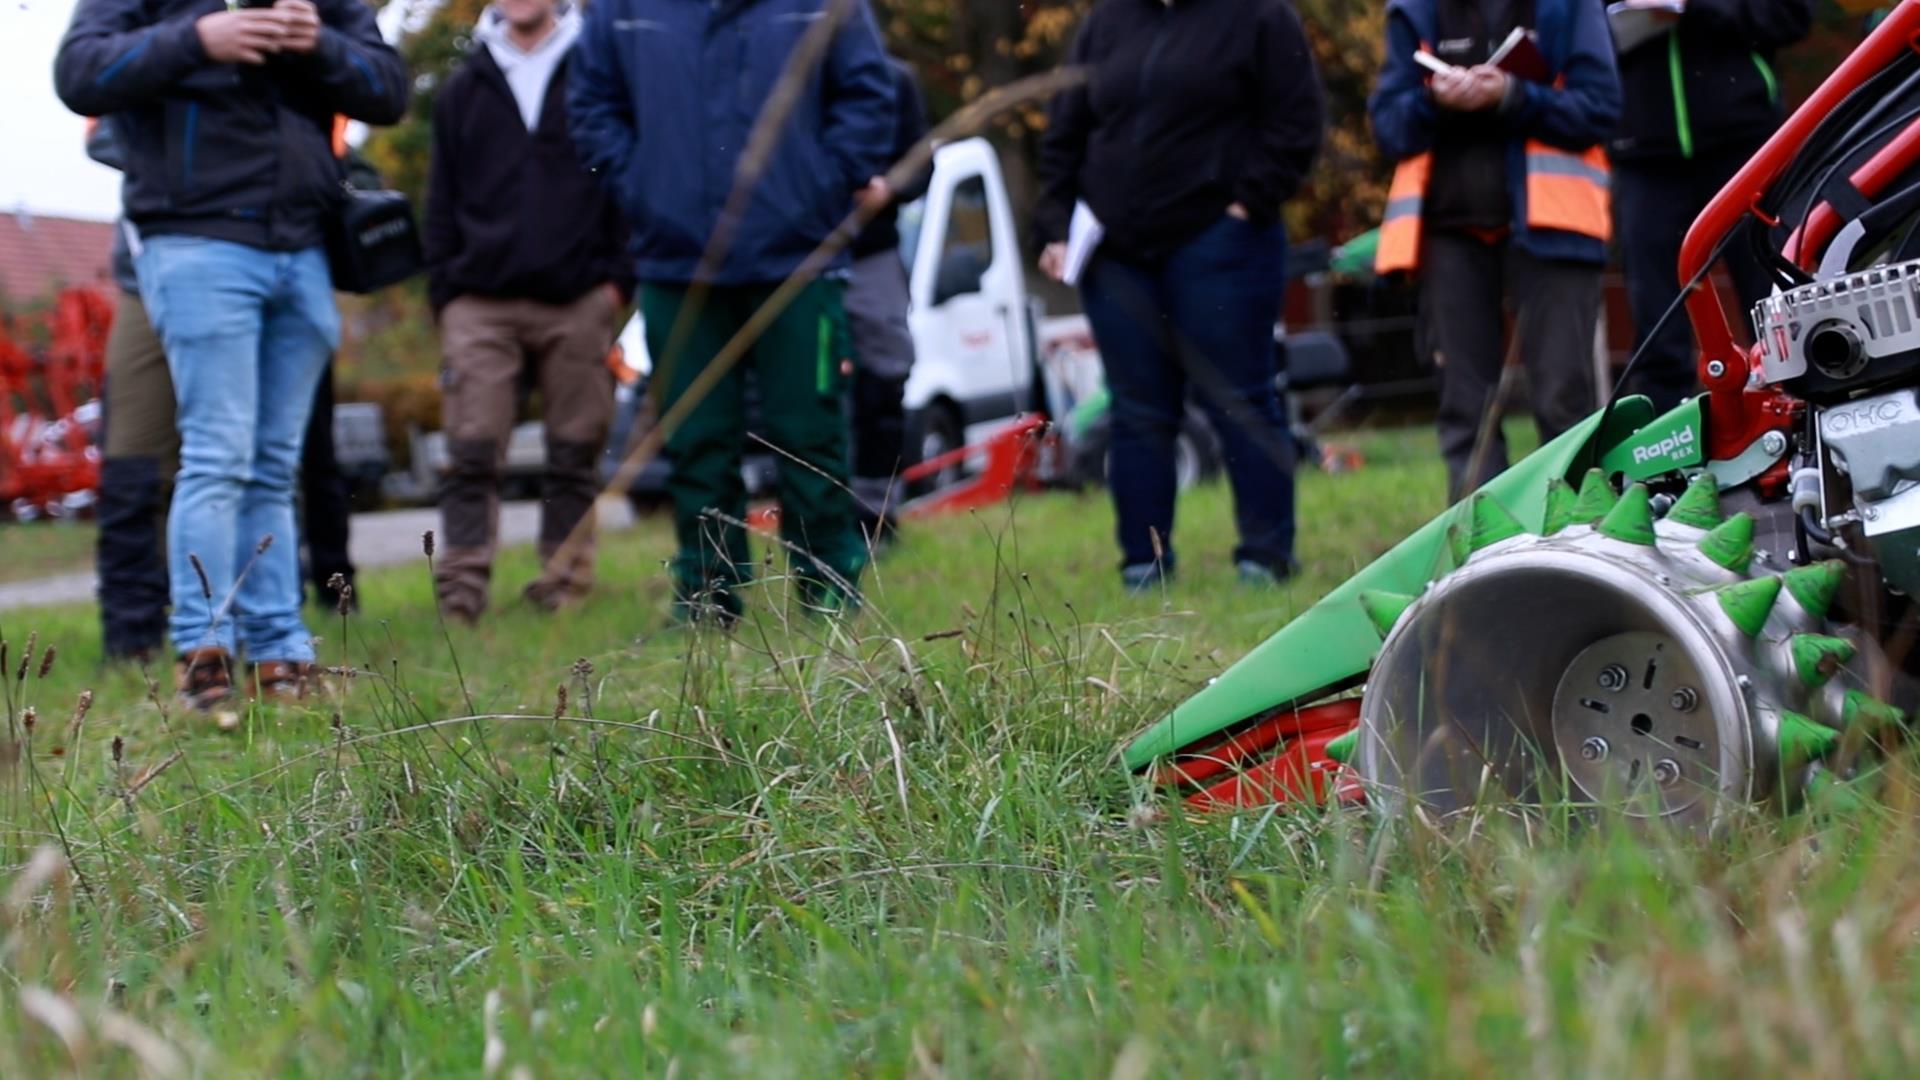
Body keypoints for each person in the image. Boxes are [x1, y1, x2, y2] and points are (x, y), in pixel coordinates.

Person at [57, 0, 407, 709]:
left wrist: (318, 42)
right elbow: (79, 72)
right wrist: (196, 38)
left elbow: (389, 90)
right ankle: (204, 650)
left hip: (303, 246)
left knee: (275, 465)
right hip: (197, 238)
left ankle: (278, 652)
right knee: (219, 454)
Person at [569, 0, 893, 623]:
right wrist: (643, 190)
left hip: (799, 259)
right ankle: (706, 596)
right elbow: (592, 106)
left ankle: (829, 588)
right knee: (695, 440)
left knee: (810, 435)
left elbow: (867, 96)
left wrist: (821, 186)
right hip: (676, 261)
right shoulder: (620, 10)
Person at [1035, 0, 1324, 592]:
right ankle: (1145, 564)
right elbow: (1065, 131)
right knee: (1137, 410)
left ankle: (1265, 559)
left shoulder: (1261, 17)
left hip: (1222, 241)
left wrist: (1247, 205)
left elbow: (1296, 122)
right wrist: (1055, 225)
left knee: (1239, 398)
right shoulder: (1106, 22)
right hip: (1117, 254)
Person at [87, 119, 360, 663]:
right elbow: (101, 126)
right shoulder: (162, 41)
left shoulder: (304, 49)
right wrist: (220, 151)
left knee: (280, 462)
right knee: (146, 466)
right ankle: (138, 637)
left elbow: (333, 133)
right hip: (157, 265)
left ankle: (280, 634)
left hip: (284, 257)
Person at [425, 0, 632, 623]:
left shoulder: (598, 69)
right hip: (479, 302)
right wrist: (447, 295)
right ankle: (460, 594)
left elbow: (622, 177)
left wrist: (618, 284)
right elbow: (440, 199)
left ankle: (565, 586)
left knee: (574, 453)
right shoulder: (463, 88)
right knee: (470, 452)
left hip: (579, 300)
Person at [1370, 0, 1621, 500]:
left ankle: (1588, 546)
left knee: (1564, 403)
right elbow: (1388, 126)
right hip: (1448, 233)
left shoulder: (1569, 7)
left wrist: (1511, 95)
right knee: (1466, 412)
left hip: (1556, 230)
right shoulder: (1413, 11)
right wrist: (1433, 100)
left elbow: (1601, 108)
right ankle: (1481, 555)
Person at [1612, 0, 1811, 413]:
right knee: (1655, 317)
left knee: (1772, 301)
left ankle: (1797, 423)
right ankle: (1662, 447)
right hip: (1643, 153)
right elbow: (1576, 41)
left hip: (1744, 146)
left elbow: (1790, 17)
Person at [846, 57, 930, 543]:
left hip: (871, 254)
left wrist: (888, 188)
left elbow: (922, 164)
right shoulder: (782, 71)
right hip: (796, 259)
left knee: (884, 379)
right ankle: (814, 515)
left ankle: (876, 516)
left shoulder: (893, 78)